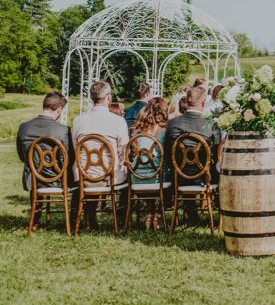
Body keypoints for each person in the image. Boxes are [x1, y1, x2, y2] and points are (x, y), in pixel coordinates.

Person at [71, 81, 130, 229]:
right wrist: (123, 162)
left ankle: (88, 219)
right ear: (109, 96)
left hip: (84, 176)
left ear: (91, 97)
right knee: (129, 176)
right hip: (110, 177)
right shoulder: (118, 121)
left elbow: (76, 149)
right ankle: (121, 219)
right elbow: (124, 151)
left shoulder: (78, 121)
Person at [16, 92, 76, 229]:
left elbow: (22, 156)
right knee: (79, 180)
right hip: (59, 180)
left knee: (35, 173)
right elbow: (70, 158)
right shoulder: (63, 130)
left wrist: (36, 167)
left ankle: (35, 221)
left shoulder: (23, 127)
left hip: (33, 179)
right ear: (59, 110)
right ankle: (74, 220)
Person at [164, 86, 220, 225]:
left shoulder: (171, 123)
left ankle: (192, 212)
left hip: (178, 176)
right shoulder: (212, 125)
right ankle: (220, 214)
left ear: (187, 102)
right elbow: (217, 154)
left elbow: (168, 152)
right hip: (205, 177)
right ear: (203, 104)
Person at [127, 97, 170, 230]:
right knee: (167, 171)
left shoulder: (139, 130)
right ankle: (159, 213)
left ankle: (149, 214)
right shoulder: (166, 130)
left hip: (137, 176)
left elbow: (135, 153)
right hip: (159, 178)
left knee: (148, 168)